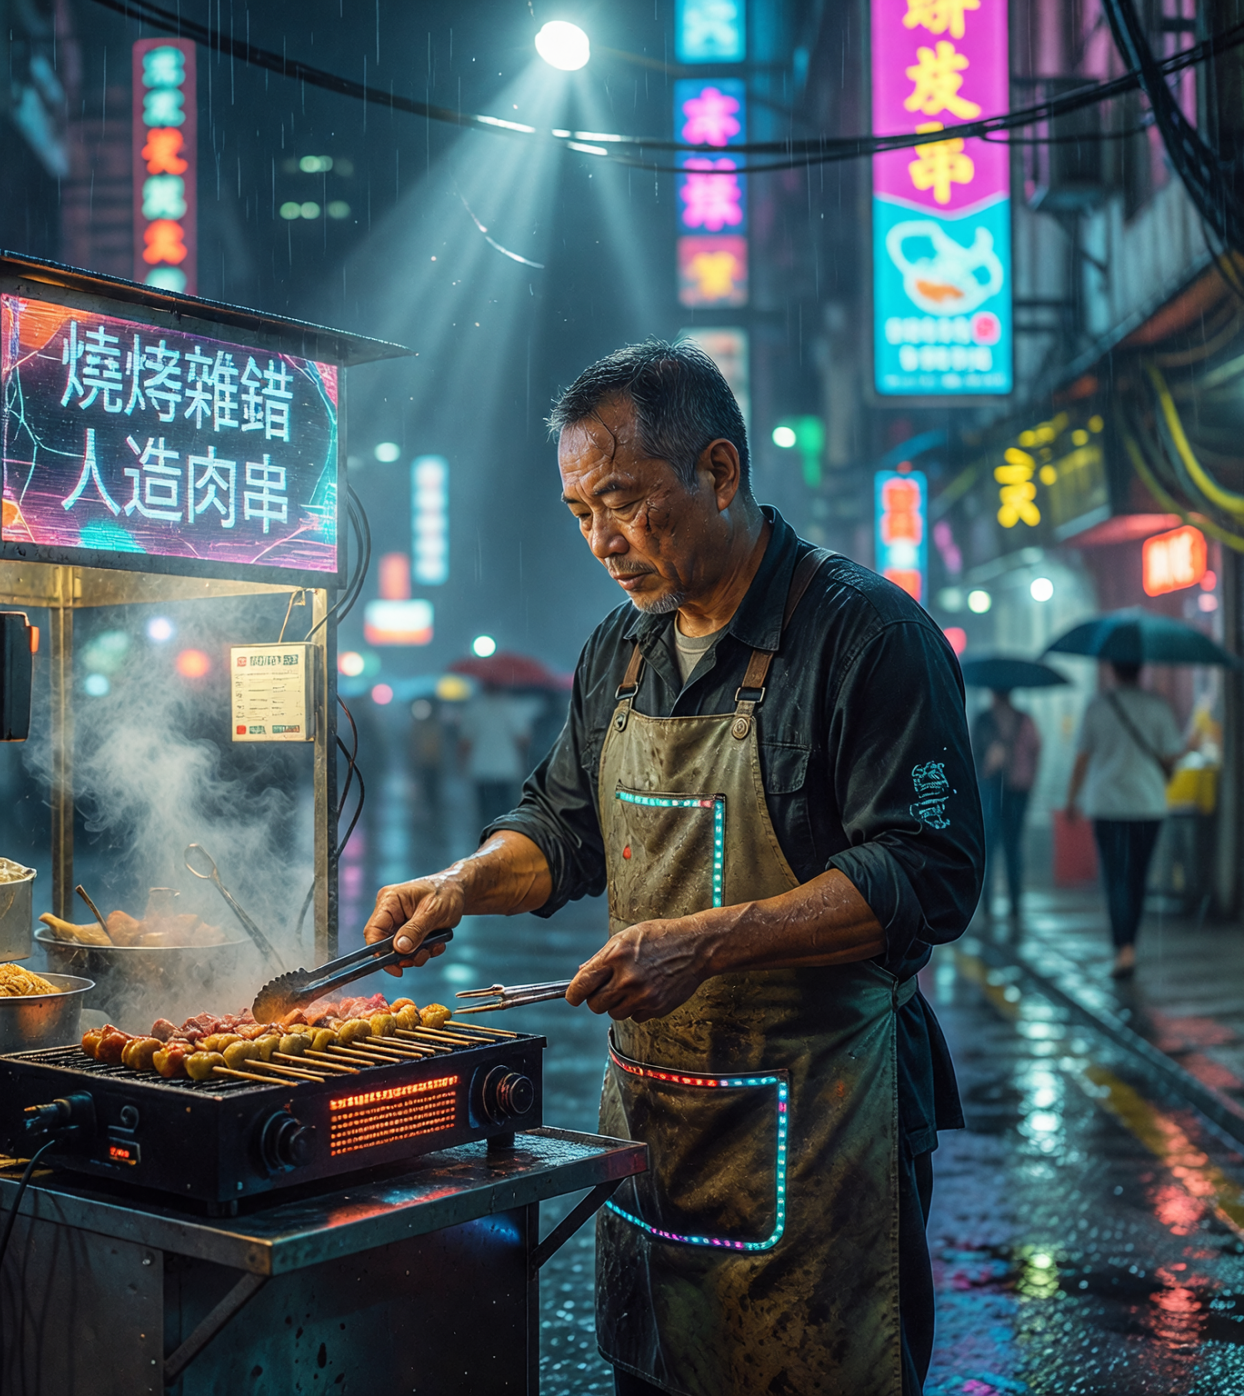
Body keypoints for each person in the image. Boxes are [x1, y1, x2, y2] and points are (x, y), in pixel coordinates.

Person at [361, 340, 982, 1396]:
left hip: (822, 1121)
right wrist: (464, 881)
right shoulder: (621, 648)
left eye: (625, 502)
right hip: (654, 1125)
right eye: (578, 513)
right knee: (655, 1371)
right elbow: (562, 826)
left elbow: (927, 870)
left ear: (719, 472)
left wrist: (709, 940)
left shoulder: (865, 635)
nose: (603, 541)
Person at [1062, 658, 1188, 976]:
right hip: (1148, 805)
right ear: (1141, 669)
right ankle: (1129, 943)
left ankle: (1124, 949)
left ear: (1113, 670)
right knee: (1137, 878)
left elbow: (1081, 759)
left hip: (1107, 806)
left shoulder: (1097, 706)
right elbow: (1172, 757)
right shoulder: (1158, 706)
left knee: (1116, 878)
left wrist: (1071, 799)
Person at [972, 687, 1041, 923]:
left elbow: (1034, 750)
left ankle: (1010, 904)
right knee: (994, 848)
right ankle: (991, 904)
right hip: (995, 788)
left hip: (1012, 791)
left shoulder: (992, 719)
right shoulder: (990, 719)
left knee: (1008, 848)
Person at [457, 681, 543, 827]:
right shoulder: (511, 707)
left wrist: (462, 765)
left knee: (484, 814)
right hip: (506, 769)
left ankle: (485, 844)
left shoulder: (474, 709)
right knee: (505, 814)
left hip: (480, 769)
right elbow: (523, 740)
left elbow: (465, 743)